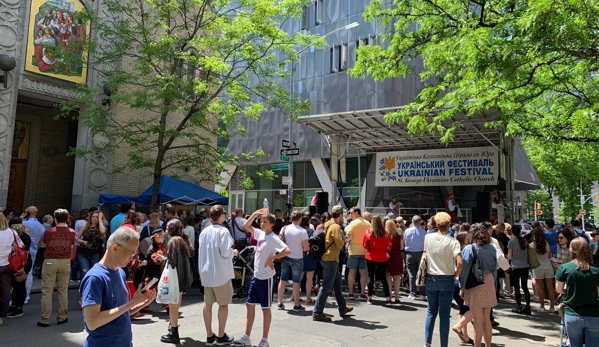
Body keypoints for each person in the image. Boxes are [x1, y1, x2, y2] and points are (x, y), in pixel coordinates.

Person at [80, 227, 157, 347]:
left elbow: (121, 312)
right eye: (131, 253)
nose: (133, 258)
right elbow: (92, 322)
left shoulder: (120, 272)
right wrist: (132, 303)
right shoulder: (94, 278)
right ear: (115, 248)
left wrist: (142, 303)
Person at [234, 209, 290, 347]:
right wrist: (255, 214)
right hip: (256, 275)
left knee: (265, 308)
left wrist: (273, 258)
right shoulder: (259, 233)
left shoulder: (274, 238)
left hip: (267, 278)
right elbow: (246, 225)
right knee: (249, 304)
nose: (262, 223)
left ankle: (264, 340)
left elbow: (287, 250)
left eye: (265, 222)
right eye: (261, 221)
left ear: (272, 224)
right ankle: (246, 337)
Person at [198, 205, 237, 345]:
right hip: (220, 273)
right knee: (223, 304)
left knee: (207, 304)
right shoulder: (223, 231)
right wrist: (234, 252)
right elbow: (226, 251)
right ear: (221, 216)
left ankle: (209, 335)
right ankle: (221, 336)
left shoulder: (204, 232)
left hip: (206, 272)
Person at [423, 212, 463, 347]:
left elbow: (425, 255)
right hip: (447, 277)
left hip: (431, 277)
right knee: (444, 314)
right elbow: (460, 262)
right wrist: (455, 275)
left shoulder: (428, 238)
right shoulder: (453, 241)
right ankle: (443, 345)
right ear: (448, 224)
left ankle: (427, 342)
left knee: (431, 311)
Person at [312, 205, 353, 322]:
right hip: (331, 259)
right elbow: (340, 244)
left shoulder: (328, 223)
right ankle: (317, 312)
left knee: (337, 283)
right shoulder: (335, 226)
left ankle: (342, 308)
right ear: (340, 214)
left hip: (327, 257)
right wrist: (345, 239)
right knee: (326, 286)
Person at [555, 238, 599, 347]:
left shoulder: (564, 268)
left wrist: (570, 289)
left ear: (572, 250)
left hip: (572, 314)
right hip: (593, 314)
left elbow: (559, 290)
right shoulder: (596, 270)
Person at [459, 224, 497, 347]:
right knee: (486, 319)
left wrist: (462, 286)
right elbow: (494, 267)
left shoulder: (469, 248)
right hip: (489, 281)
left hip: (475, 282)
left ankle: (477, 345)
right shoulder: (492, 248)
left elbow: (465, 271)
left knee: (477, 320)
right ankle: (488, 345)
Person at [160, 219, 194, 343]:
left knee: (173, 305)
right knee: (176, 304)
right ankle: (173, 326)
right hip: (182, 277)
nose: (165, 231)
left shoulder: (173, 241)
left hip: (174, 278)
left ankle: (174, 333)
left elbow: (172, 262)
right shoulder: (183, 240)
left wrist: (163, 259)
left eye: (167, 228)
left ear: (171, 229)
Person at [276, 211, 309, 311]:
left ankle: (279, 302)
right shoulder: (303, 231)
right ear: (300, 219)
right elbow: (306, 248)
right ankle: (296, 304)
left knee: (283, 279)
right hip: (297, 257)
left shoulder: (284, 228)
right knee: (296, 281)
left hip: (285, 256)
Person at [0, 215, 26, 325]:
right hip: (7, 265)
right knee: (6, 291)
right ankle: (1, 315)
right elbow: (20, 245)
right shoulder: (12, 232)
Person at [363, 215, 392, 305]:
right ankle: (387, 298)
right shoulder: (385, 233)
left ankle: (370, 298)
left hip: (371, 256)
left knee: (370, 277)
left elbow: (364, 245)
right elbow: (389, 246)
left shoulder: (368, 232)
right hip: (382, 256)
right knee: (383, 277)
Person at [6, 220, 32, 319]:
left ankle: (18, 308)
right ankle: (14, 306)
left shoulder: (23, 236)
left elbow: (25, 252)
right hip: (19, 263)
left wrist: (21, 267)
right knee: (16, 284)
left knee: (19, 284)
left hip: (21, 263)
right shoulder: (24, 235)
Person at [452, 231, 474, 345]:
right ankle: (459, 327)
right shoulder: (466, 252)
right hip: (463, 283)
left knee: (463, 309)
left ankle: (464, 336)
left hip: (453, 282)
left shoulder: (453, 251)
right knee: (475, 308)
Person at [346, 207, 371, 301]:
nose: (350, 214)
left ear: (357, 212)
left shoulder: (353, 223)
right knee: (363, 273)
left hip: (353, 251)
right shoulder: (368, 223)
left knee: (352, 272)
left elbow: (348, 237)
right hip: (364, 251)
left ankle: (351, 293)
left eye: (351, 212)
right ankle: (363, 293)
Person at [529, 227, 556, 313]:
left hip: (537, 267)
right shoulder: (546, 244)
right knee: (550, 288)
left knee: (540, 287)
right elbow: (549, 256)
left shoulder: (531, 245)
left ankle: (542, 306)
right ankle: (552, 307)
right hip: (548, 265)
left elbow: (531, 258)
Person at [507, 225, 531, 315]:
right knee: (525, 287)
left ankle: (519, 306)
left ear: (512, 232)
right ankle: (528, 306)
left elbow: (509, 255)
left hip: (515, 266)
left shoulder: (511, 242)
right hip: (525, 266)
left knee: (517, 287)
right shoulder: (524, 240)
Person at [76, 210, 106, 279]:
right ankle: (83, 288)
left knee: (93, 272)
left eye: (96, 217)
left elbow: (102, 231)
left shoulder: (100, 228)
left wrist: (100, 220)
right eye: (93, 217)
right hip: (83, 252)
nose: (94, 218)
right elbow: (77, 238)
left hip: (95, 253)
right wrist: (84, 242)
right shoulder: (85, 226)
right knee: (85, 271)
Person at [404, 215, 427, 300]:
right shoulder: (423, 232)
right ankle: (422, 293)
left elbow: (405, 241)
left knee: (411, 274)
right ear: (420, 222)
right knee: (421, 274)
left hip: (410, 254)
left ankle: (412, 293)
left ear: (412, 222)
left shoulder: (407, 231)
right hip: (421, 253)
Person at [385, 219, 404, 303]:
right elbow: (401, 247)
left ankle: (389, 297)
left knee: (388, 278)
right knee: (397, 278)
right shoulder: (399, 235)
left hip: (388, 256)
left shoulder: (385, 235)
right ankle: (396, 297)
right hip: (397, 256)